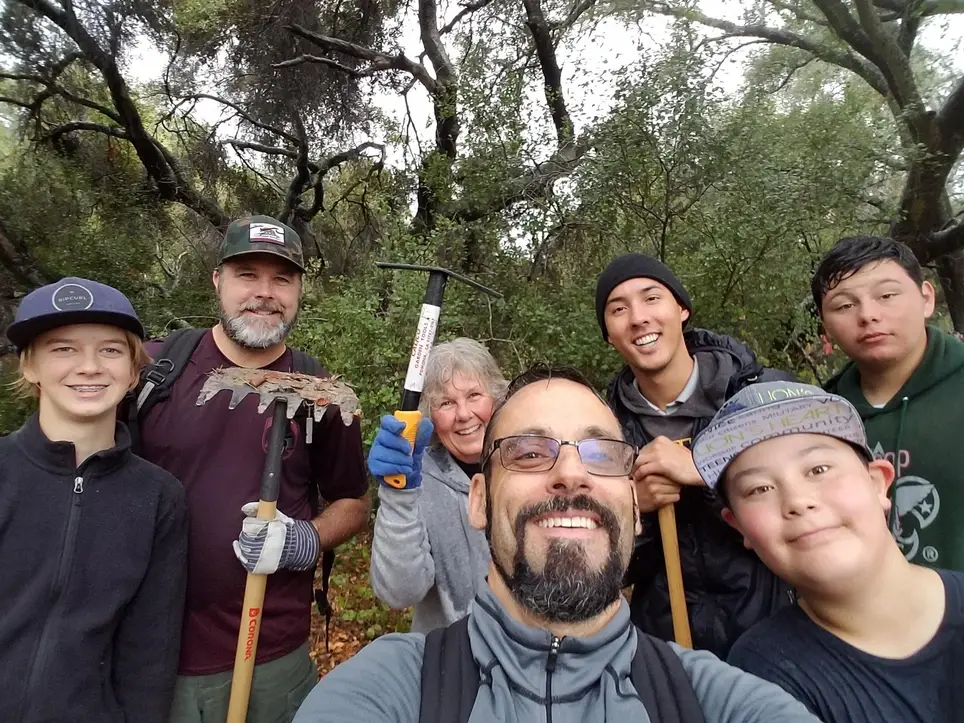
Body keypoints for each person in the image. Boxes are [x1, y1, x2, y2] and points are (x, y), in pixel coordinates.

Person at [292, 366, 821, 723]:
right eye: (528, 452)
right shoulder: (389, 690)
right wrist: (401, 499)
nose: (571, 473)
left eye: (601, 454)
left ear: (636, 508)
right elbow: (400, 588)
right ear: (479, 500)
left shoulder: (712, 700)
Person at [131, 215, 370, 723]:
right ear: (217, 281)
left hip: (270, 654)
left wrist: (305, 538)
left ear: (299, 290)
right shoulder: (152, 370)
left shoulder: (320, 392)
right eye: (247, 275)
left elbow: (353, 502)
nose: (265, 293)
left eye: (281, 278)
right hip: (153, 650)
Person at [691, 380, 964, 722]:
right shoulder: (761, 677)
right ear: (739, 527)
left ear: (878, 482)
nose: (797, 501)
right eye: (759, 488)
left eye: (818, 469)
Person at [0, 277, 188, 723]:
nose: (89, 367)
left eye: (110, 350)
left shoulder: (159, 498)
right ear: (30, 367)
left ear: (133, 371)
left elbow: (149, 653)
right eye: (63, 349)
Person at [595, 252, 794, 657]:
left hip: (780, 639)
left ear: (682, 309)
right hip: (668, 652)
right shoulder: (604, 433)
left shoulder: (763, 397)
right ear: (609, 334)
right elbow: (610, 571)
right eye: (618, 309)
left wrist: (707, 467)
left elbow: (805, 505)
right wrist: (636, 511)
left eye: (652, 298)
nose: (638, 318)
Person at [815, 235, 964, 571]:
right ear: (826, 326)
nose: (868, 315)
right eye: (844, 305)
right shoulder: (823, 417)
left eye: (886, 295)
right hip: (868, 615)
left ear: (927, 298)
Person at [367, 338, 507, 632]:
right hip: (449, 662)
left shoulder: (529, 466)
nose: (464, 414)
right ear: (431, 415)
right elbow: (399, 593)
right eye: (446, 403)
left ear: (495, 398)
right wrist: (397, 497)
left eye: (474, 395)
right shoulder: (419, 479)